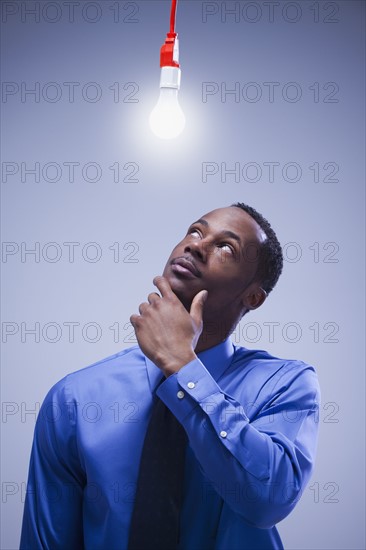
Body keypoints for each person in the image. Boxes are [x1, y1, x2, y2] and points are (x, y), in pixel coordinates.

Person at [20, 202, 320, 550]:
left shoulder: (285, 385)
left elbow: (269, 499)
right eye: (195, 230)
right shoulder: (74, 398)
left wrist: (183, 367)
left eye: (226, 247)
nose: (195, 245)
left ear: (253, 297)